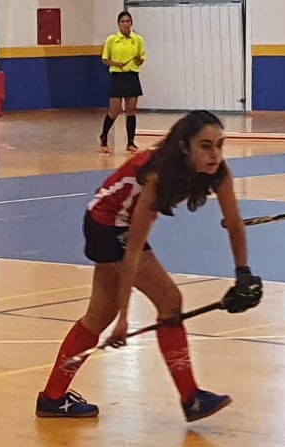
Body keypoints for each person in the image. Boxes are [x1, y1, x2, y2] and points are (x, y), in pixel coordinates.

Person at [37, 110, 262, 422]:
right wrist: (126, 318)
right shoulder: (157, 175)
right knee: (169, 301)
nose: (215, 154)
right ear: (185, 147)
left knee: (97, 317)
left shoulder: (218, 171)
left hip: (114, 223)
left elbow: (235, 222)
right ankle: (191, 397)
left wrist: (243, 272)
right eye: (206, 146)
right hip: (108, 225)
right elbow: (132, 249)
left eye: (219, 145)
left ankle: (52, 398)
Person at [98, 12, 146, 154]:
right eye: (123, 21)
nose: (126, 23)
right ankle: (104, 136)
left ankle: (130, 142)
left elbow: (141, 59)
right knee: (115, 110)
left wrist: (138, 59)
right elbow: (105, 59)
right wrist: (116, 64)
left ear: (131, 23)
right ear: (118, 23)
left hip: (132, 75)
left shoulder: (138, 40)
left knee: (131, 110)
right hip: (118, 76)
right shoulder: (112, 40)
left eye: (128, 21)